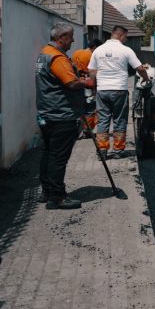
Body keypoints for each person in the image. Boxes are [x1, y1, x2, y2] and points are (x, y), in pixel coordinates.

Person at [35, 23, 91, 209]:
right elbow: (71, 83)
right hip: (61, 114)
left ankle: (47, 191)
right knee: (58, 158)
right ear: (61, 38)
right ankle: (57, 198)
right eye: (71, 37)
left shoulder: (44, 53)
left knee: (49, 154)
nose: (73, 40)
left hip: (46, 113)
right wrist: (87, 82)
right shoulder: (57, 57)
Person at [88, 25, 151, 159]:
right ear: (121, 35)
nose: (126, 39)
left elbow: (92, 71)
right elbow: (139, 68)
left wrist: (95, 87)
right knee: (120, 120)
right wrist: (145, 78)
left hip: (102, 91)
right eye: (125, 37)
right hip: (119, 90)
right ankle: (118, 151)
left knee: (103, 121)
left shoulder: (98, 50)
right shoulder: (125, 50)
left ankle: (102, 151)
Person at [72, 38, 103, 137]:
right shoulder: (92, 56)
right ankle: (87, 131)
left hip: (77, 84)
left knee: (80, 108)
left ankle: (77, 130)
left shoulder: (76, 53)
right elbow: (94, 73)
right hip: (89, 85)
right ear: (94, 47)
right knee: (91, 109)